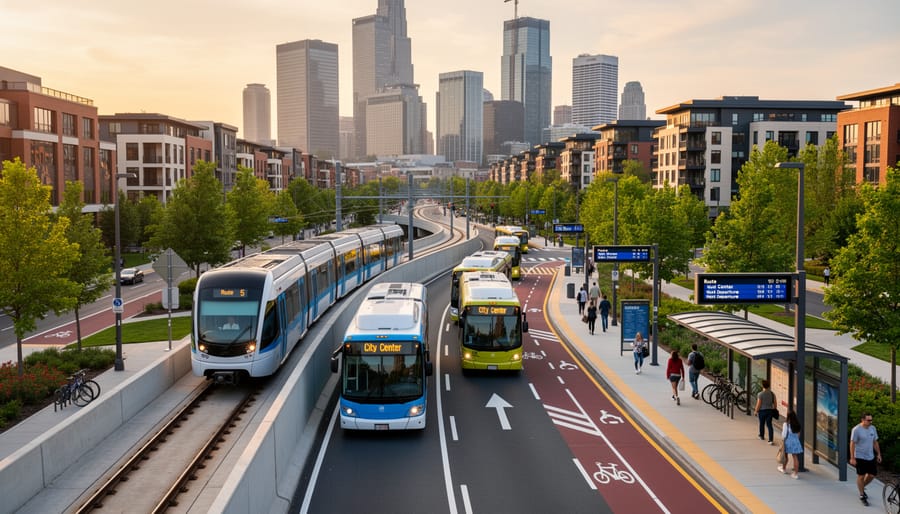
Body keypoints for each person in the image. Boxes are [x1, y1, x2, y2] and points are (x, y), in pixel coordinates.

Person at [850, 412, 882, 506]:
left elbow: (875, 442)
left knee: (872, 475)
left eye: (871, 420)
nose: (870, 422)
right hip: (860, 456)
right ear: (863, 420)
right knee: (861, 476)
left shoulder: (873, 428)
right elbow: (852, 443)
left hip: (870, 456)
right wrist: (852, 458)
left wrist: (879, 454)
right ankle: (862, 494)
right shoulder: (856, 430)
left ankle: (861, 487)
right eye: (868, 420)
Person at [778, 410, 803, 479]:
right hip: (796, 442)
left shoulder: (786, 424)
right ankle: (795, 474)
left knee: (785, 455)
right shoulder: (798, 424)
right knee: (795, 457)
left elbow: (784, 435)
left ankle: (783, 468)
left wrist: (783, 441)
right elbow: (798, 435)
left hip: (787, 442)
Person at [754, 380, 777, 444]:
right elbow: (775, 404)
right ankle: (771, 440)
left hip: (762, 411)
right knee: (769, 425)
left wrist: (756, 411)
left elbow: (758, 404)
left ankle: (762, 435)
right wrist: (773, 408)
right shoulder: (772, 394)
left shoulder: (760, 394)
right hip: (769, 411)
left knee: (762, 423)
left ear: (762, 386)